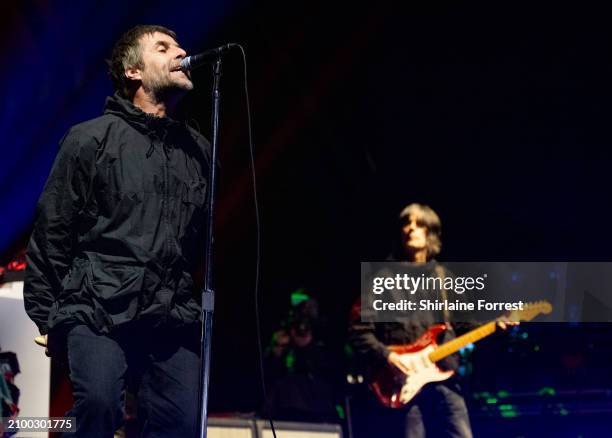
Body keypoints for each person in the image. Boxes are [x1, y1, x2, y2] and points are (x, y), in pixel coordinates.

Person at [23, 25, 210, 437]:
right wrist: (48, 317)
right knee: (100, 408)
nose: (180, 53)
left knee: (181, 423)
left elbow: (199, 244)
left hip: (169, 313)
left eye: (180, 46)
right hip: (97, 306)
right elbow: (53, 229)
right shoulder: (91, 139)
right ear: (133, 72)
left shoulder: (197, 150)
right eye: (163, 48)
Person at [349, 203, 513, 438]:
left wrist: (496, 327)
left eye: (418, 224)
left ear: (431, 233)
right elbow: (359, 332)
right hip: (401, 382)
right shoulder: (381, 280)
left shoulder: (445, 279)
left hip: (444, 376)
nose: (410, 229)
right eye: (406, 224)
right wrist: (390, 356)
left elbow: (465, 325)